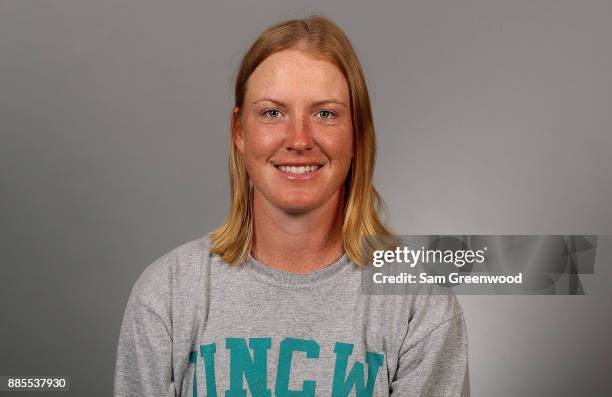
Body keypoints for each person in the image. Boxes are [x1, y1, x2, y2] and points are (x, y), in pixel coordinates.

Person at [114, 15, 469, 396]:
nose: (299, 139)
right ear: (240, 132)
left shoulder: (418, 302)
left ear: (357, 134)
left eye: (325, 114)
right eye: (272, 113)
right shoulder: (167, 293)